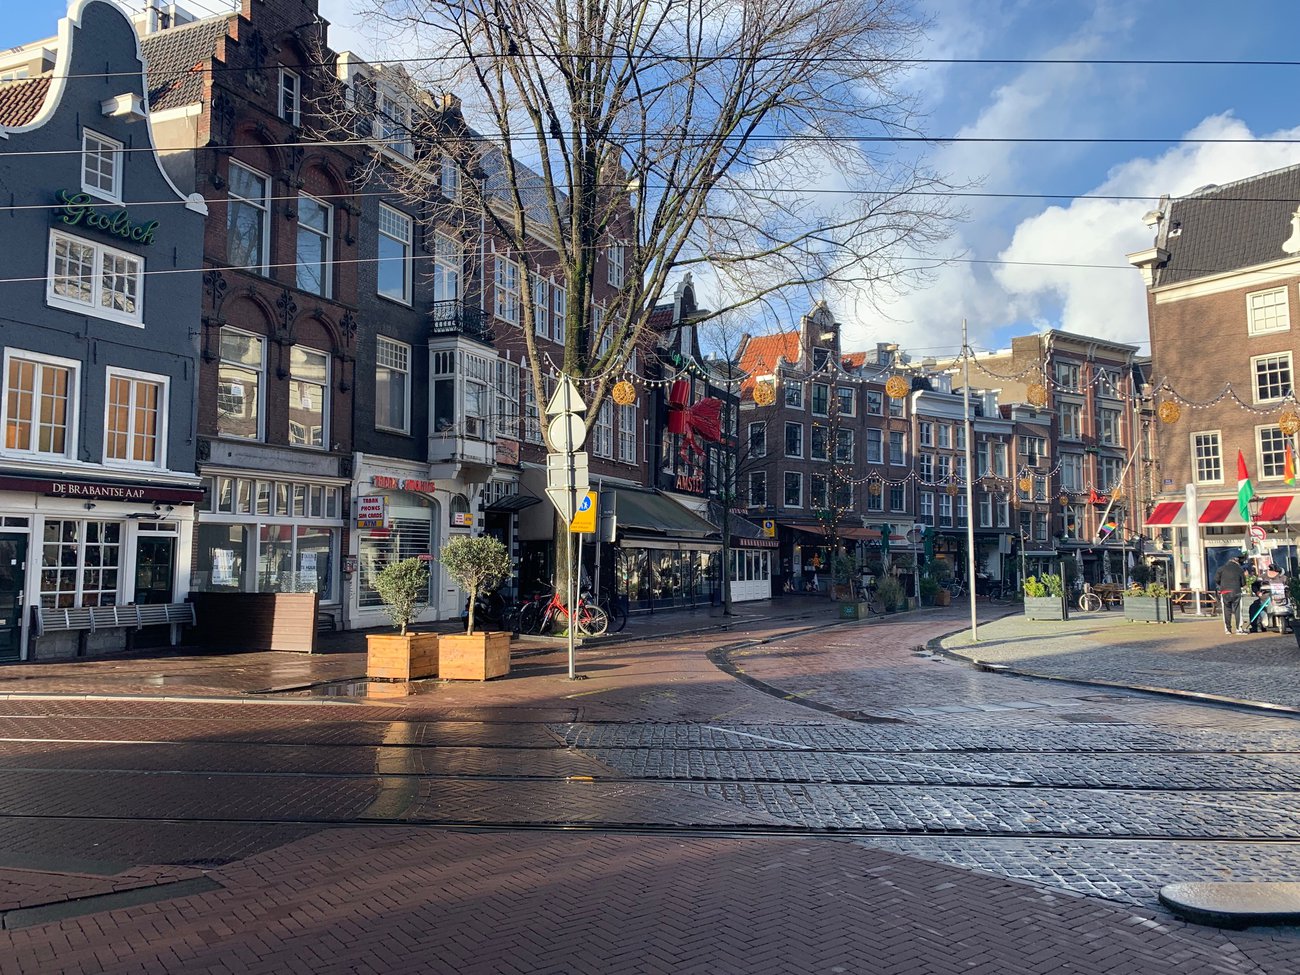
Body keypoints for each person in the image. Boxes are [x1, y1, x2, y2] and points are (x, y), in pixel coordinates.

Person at [1213, 553, 1247, 635]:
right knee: (1238, 610)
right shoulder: (1239, 569)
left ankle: (1228, 629)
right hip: (1236, 591)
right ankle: (1239, 629)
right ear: (1237, 561)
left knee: (1226, 610)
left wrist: (1222, 584)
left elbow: (1216, 579)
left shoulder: (1221, 569)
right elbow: (1243, 583)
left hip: (1225, 592)